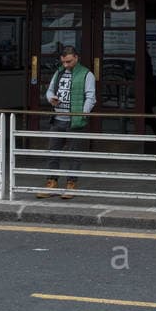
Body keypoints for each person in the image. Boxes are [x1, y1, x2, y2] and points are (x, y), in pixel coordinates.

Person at [37, 45, 95, 199]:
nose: (66, 65)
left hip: (74, 120)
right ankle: (51, 183)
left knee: (74, 154)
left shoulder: (86, 74)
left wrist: (83, 114)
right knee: (53, 152)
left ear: (76, 57)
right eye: (63, 62)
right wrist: (51, 99)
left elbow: (90, 97)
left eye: (69, 61)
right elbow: (49, 91)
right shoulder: (59, 72)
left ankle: (71, 184)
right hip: (57, 118)